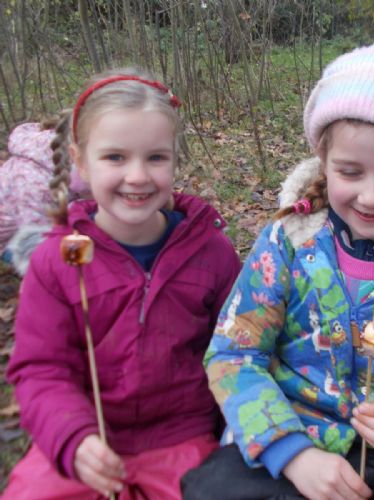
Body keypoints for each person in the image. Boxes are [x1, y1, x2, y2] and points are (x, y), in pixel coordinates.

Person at [181, 39, 374, 500]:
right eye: (350, 172)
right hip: (296, 438)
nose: (371, 196)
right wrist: (291, 453)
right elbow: (233, 355)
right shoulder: (287, 242)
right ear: (325, 164)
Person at [4, 68, 241, 499]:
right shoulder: (55, 261)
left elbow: (241, 350)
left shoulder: (212, 253)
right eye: (115, 157)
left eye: (156, 158)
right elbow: (41, 368)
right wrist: (73, 439)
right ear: (80, 161)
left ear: (174, 159)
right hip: (87, 438)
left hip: (182, 438)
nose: (137, 176)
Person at [0, 118, 89, 274]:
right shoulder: (30, 186)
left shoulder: (51, 152)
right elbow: (37, 242)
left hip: (45, 217)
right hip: (16, 239)